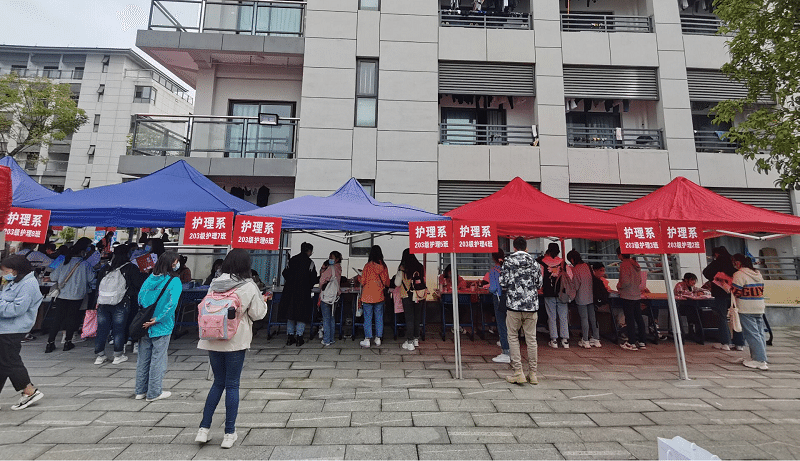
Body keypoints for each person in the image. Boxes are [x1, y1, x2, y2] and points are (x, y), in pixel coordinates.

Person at [195, 249, 268, 448]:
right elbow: (258, 314)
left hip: (212, 337)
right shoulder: (248, 285)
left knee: (218, 382)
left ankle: (203, 429)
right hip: (235, 340)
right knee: (233, 385)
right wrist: (263, 302)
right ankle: (229, 433)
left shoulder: (215, 283)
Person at [134, 251, 182, 402]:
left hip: (144, 324)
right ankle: (154, 392)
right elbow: (172, 304)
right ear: (171, 264)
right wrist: (157, 319)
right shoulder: (174, 281)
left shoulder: (149, 279)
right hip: (162, 325)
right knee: (158, 360)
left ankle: (140, 391)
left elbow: (140, 299)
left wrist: (148, 317)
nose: (177, 264)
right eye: (176, 262)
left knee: (143, 360)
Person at [0, 255, 45, 410]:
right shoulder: (16, 281)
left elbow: (18, 308)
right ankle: (28, 391)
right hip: (5, 327)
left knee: (10, 361)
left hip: (13, 328)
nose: (4, 274)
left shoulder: (28, 284)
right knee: (4, 362)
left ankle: (29, 391)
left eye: (6, 271)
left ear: (16, 270)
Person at [500, 237, 542, 384]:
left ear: (514, 247)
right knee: (531, 339)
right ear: (526, 248)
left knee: (512, 337)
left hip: (514, 305)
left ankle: (518, 372)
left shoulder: (508, 261)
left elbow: (503, 282)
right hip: (531, 306)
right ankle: (533, 373)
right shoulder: (535, 263)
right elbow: (539, 284)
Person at [93, 245, 142, 366]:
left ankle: (100, 356)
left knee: (102, 329)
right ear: (127, 254)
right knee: (119, 329)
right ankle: (118, 355)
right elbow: (138, 285)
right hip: (121, 302)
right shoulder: (131, 267)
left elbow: (98, 285)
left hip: (103, 302)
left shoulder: (106, 268)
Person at [45, 237, 94, 353]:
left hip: (62, 294)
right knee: (72, 318)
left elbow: (53, 277)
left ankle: (50, 343)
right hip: (77, 296)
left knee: (57, 319)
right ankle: (68, 342)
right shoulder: (85, 264)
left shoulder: (64, 261)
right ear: (83, 251)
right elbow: (91, 279)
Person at [731, 254, 768, 370]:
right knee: (759, 333)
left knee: (752, 334)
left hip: (746, 307)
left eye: (734, 262)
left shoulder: (739, 274)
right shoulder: (757, 273)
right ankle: (759, 357)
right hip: (759, 305)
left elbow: (736, 292)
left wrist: (727, 286)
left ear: (738, 262)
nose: (733, 264)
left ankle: (759, 360)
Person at [703, 246, 744, 351]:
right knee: (736, 316)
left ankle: (726, 343)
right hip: (734, 293)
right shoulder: (733, 261)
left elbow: (706, 272)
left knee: (722, 317)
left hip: (720, 293)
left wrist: (715, 278)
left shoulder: (717, 262)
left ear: (716, 254)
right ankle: (739, 343)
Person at [278, 242, 317, 346]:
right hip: (303, 292)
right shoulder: (310, 263)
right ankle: (299, 337)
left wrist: (291, 281)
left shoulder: (292, 260)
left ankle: (290, 337)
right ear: (309, 251)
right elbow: (313, 278)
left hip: (289, 291)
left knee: (290, 314)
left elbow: (284, 273)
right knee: (301, 315)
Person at [567, 250, 600, 349]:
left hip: (581, 297)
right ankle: (596, 339)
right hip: (590, 295)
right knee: (593, 318)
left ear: (572, 259)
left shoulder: (576, 269)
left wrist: (571, 296)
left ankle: (585, 340)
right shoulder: (587, 266)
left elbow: (576, 285)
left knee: (584, 318)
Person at [539, 242, 569, 349]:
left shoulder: (542, 262)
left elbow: (540, 278)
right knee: (563, 316)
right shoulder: (563, 263)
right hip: (562, 293)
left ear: (548, 250)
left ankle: (554, 340)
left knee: (551, 316)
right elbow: (570, 276)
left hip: (548, 292)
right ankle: (565, 340)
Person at [359, 245, 389, 348]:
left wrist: (359, 277)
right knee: (379, 317)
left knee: (367, 317)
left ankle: (367, 339)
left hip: (367, 295)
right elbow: (387, 282)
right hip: (379, 295)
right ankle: (378, 338)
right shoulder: (384, 266)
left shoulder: (368, 266)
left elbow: (363, 281)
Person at [617, 248, 646, 351]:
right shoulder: (636, 264)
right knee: (639, 318)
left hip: (627, 295)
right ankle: (642, 341)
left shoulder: (624, 265)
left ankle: (631, 342)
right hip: (637, 295)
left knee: (629, 319)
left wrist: (619, 286)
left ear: (620, 254)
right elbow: (640, 280)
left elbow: (625, 281)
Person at [396, 249, 425, 351]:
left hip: (407, 295)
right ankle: (416, 339)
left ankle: (410, 342)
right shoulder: (420, 266)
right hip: (419, 295)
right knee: (417, 317)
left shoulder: (403, 268)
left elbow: (397, 283)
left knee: (409, 318)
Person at [319, 251, 342, 347]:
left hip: (327, 296)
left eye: (331, 258)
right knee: (332, 318)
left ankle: (326, 340)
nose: (330, 259)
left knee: (326, 319)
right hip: (335, 296)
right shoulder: (339, 268)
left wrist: (323, 268)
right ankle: (331, 339)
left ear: (336, 259)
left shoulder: (330, 268)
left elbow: (321, 280)